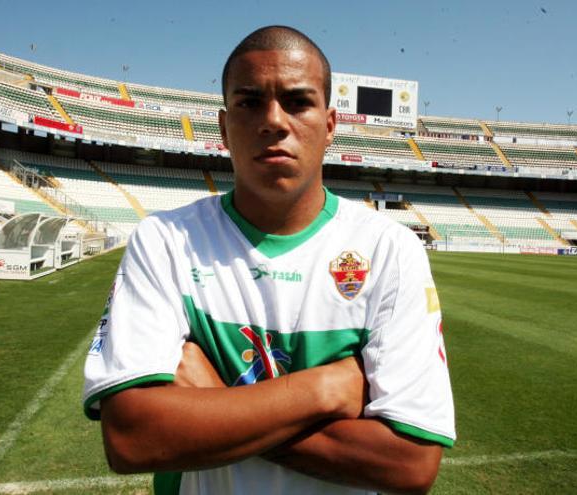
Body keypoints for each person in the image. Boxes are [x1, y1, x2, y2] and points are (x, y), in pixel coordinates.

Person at [82, 25, 455, 495]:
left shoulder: (389, 250)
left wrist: (215, 401)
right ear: (223, 127)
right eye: (249, 101)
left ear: (330, 125)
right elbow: (132, 439)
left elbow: (409, 464)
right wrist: (324, 390)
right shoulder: (165, 241)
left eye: (298, 102)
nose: (274, 121)